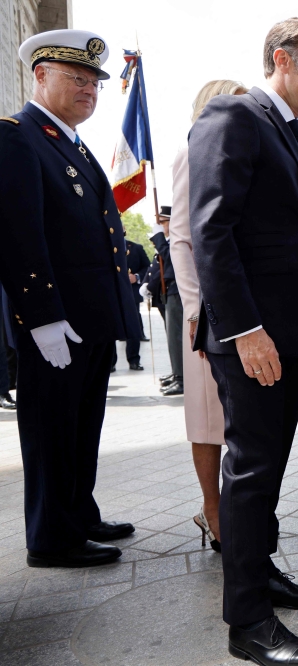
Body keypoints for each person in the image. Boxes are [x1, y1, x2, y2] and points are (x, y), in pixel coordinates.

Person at [188, 18, 298, 666]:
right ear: (282, 60)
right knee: (250, 476)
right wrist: (245, 329)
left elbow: (293, 247)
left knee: (267, 476)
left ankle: (261, 577)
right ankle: (247, 622)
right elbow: (211, 232)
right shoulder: (234, 117)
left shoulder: (289, 132)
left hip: (286, 338)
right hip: (253, 341)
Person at [0, 29, 140, 568]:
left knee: (82, 424)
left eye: (93, 82)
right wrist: (42, 318)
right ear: (39, 75)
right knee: (52, 428)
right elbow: (17, 235)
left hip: (89, 322)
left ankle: (78, 512)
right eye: (76, 78)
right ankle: (51, 537)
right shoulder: (18, 136)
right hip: (55, 323)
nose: (89, 89)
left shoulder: (70, 143)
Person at [171, 79, 248, 555]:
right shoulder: (191, 153)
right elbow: (182, 239)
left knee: (233, 417)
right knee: (207, 420)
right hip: (207, 313)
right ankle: (212, 510)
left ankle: (234, 510)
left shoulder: (241, 159)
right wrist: (198, 308)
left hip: (239, 307)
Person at [149, 206, 184, 396]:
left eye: (163, 221)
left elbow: (172, 259)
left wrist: (159, 239)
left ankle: (182, 378)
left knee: (177, 337)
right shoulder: (169, 240)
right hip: (170, 290)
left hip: (178, 290)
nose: (160, 225)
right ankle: (178, 373)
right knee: (173, 337)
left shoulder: (177, 239)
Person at [124, 235, 150, 369]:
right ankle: (110, 364)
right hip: (112, 293)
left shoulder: (136, 248)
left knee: (133, 328)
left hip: (132, 293)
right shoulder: (102, 246)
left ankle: (134, 360)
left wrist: (137, 277)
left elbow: (147, 267)